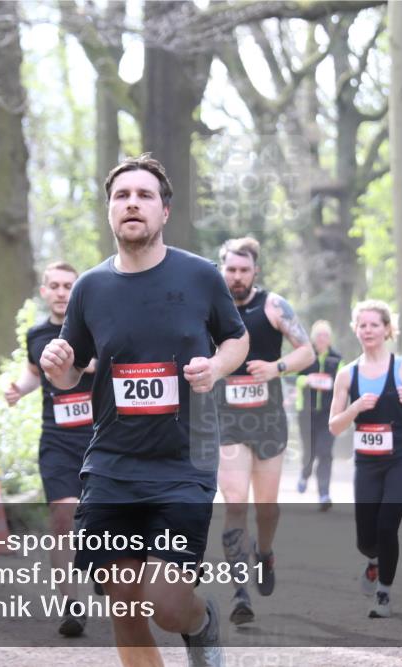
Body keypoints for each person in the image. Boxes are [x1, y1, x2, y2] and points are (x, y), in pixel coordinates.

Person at [41, 154, 248, 667]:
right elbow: (72, 371)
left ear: (164, 211)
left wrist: (216, 368)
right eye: (121, 196)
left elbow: (237, 340)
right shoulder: (90, 287)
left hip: (185, 462)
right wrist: (58, 367)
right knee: (125, 604)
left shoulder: (200, 276)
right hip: (113, 462)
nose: (132, 203)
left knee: (167, 602)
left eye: (144, 195)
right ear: (110, 211)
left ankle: (201, 623)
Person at [215, 237, 315, 625]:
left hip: (268, 420)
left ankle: (266, 552)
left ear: (255, 271)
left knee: (266, 509)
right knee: (236, 502)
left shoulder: (273, 305)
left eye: (244, 270)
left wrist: (277, 368)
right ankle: (240, 592)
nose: (237, 277)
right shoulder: (212, 308)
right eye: (231, 270)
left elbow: (306, 351)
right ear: (221, 269)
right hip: (227, 422)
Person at [5, 261, 94, 637]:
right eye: (54, 286)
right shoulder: (37, 333)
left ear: (78, 291)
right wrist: (19, 389)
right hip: (57, 440)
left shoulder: (93, 329)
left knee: (101, 520)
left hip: (100, 440)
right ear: (44, 292)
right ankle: (71, 605)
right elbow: (33, 371)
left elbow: (103, 366)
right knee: (62, 518)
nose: (61, 292)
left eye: (68, 286)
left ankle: (100, 567)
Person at [328, 300, 402, 619]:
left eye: (375, 324)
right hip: (367, 462)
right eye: (363, 325)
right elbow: (334, 426)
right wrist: (355, 408)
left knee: (388, 526)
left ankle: (383, 593)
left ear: (388, 329)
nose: (368, 330)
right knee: (365, 537)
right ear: (355, 330)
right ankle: (373, 561)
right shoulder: (347, 375)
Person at [295, 320, 344, 511]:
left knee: (325, 452)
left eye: (325, 335)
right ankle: (305, 473)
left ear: (330, 338)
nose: (322, 339)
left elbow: (342, 383)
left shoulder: (337, 359)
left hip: (328, 414)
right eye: (318, 336)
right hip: (306, 414)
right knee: (309, 451)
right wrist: (306, 379)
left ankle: (324, 493)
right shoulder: (306, 357)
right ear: (313, 339)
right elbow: (292, 377)